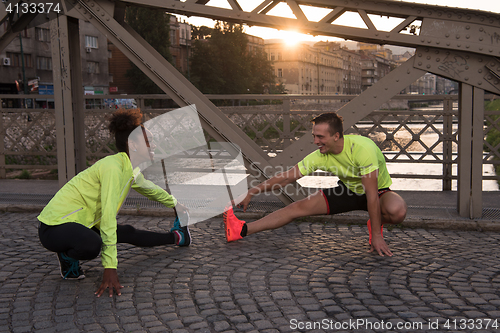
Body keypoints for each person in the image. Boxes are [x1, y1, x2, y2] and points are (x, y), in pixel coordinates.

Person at [38, 108, 191, 297]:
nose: (154, 145)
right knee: (92, 244)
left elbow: (150, 189)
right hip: (54, 227)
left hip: (81, 223)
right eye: (149, 141)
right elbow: (109, 217)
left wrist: (175, 203)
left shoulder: (129, 169)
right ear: (133, 144)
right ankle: (67, 256)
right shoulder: (112, 167)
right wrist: (110, 267)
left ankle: (176, 237)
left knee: (127, 232)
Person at [224, 112, 407, 256]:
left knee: (398, 210)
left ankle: (375, 224)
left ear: (336, 136)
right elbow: (287, 178)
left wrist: (376, 234)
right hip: (348, 191)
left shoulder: (362, 149)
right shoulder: (320, 155)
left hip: (378, 192)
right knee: (296, 208)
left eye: (320, 137)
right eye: (314, 136)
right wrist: (252, 191)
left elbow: (372, 195)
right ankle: (240, 229)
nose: (315, 142)